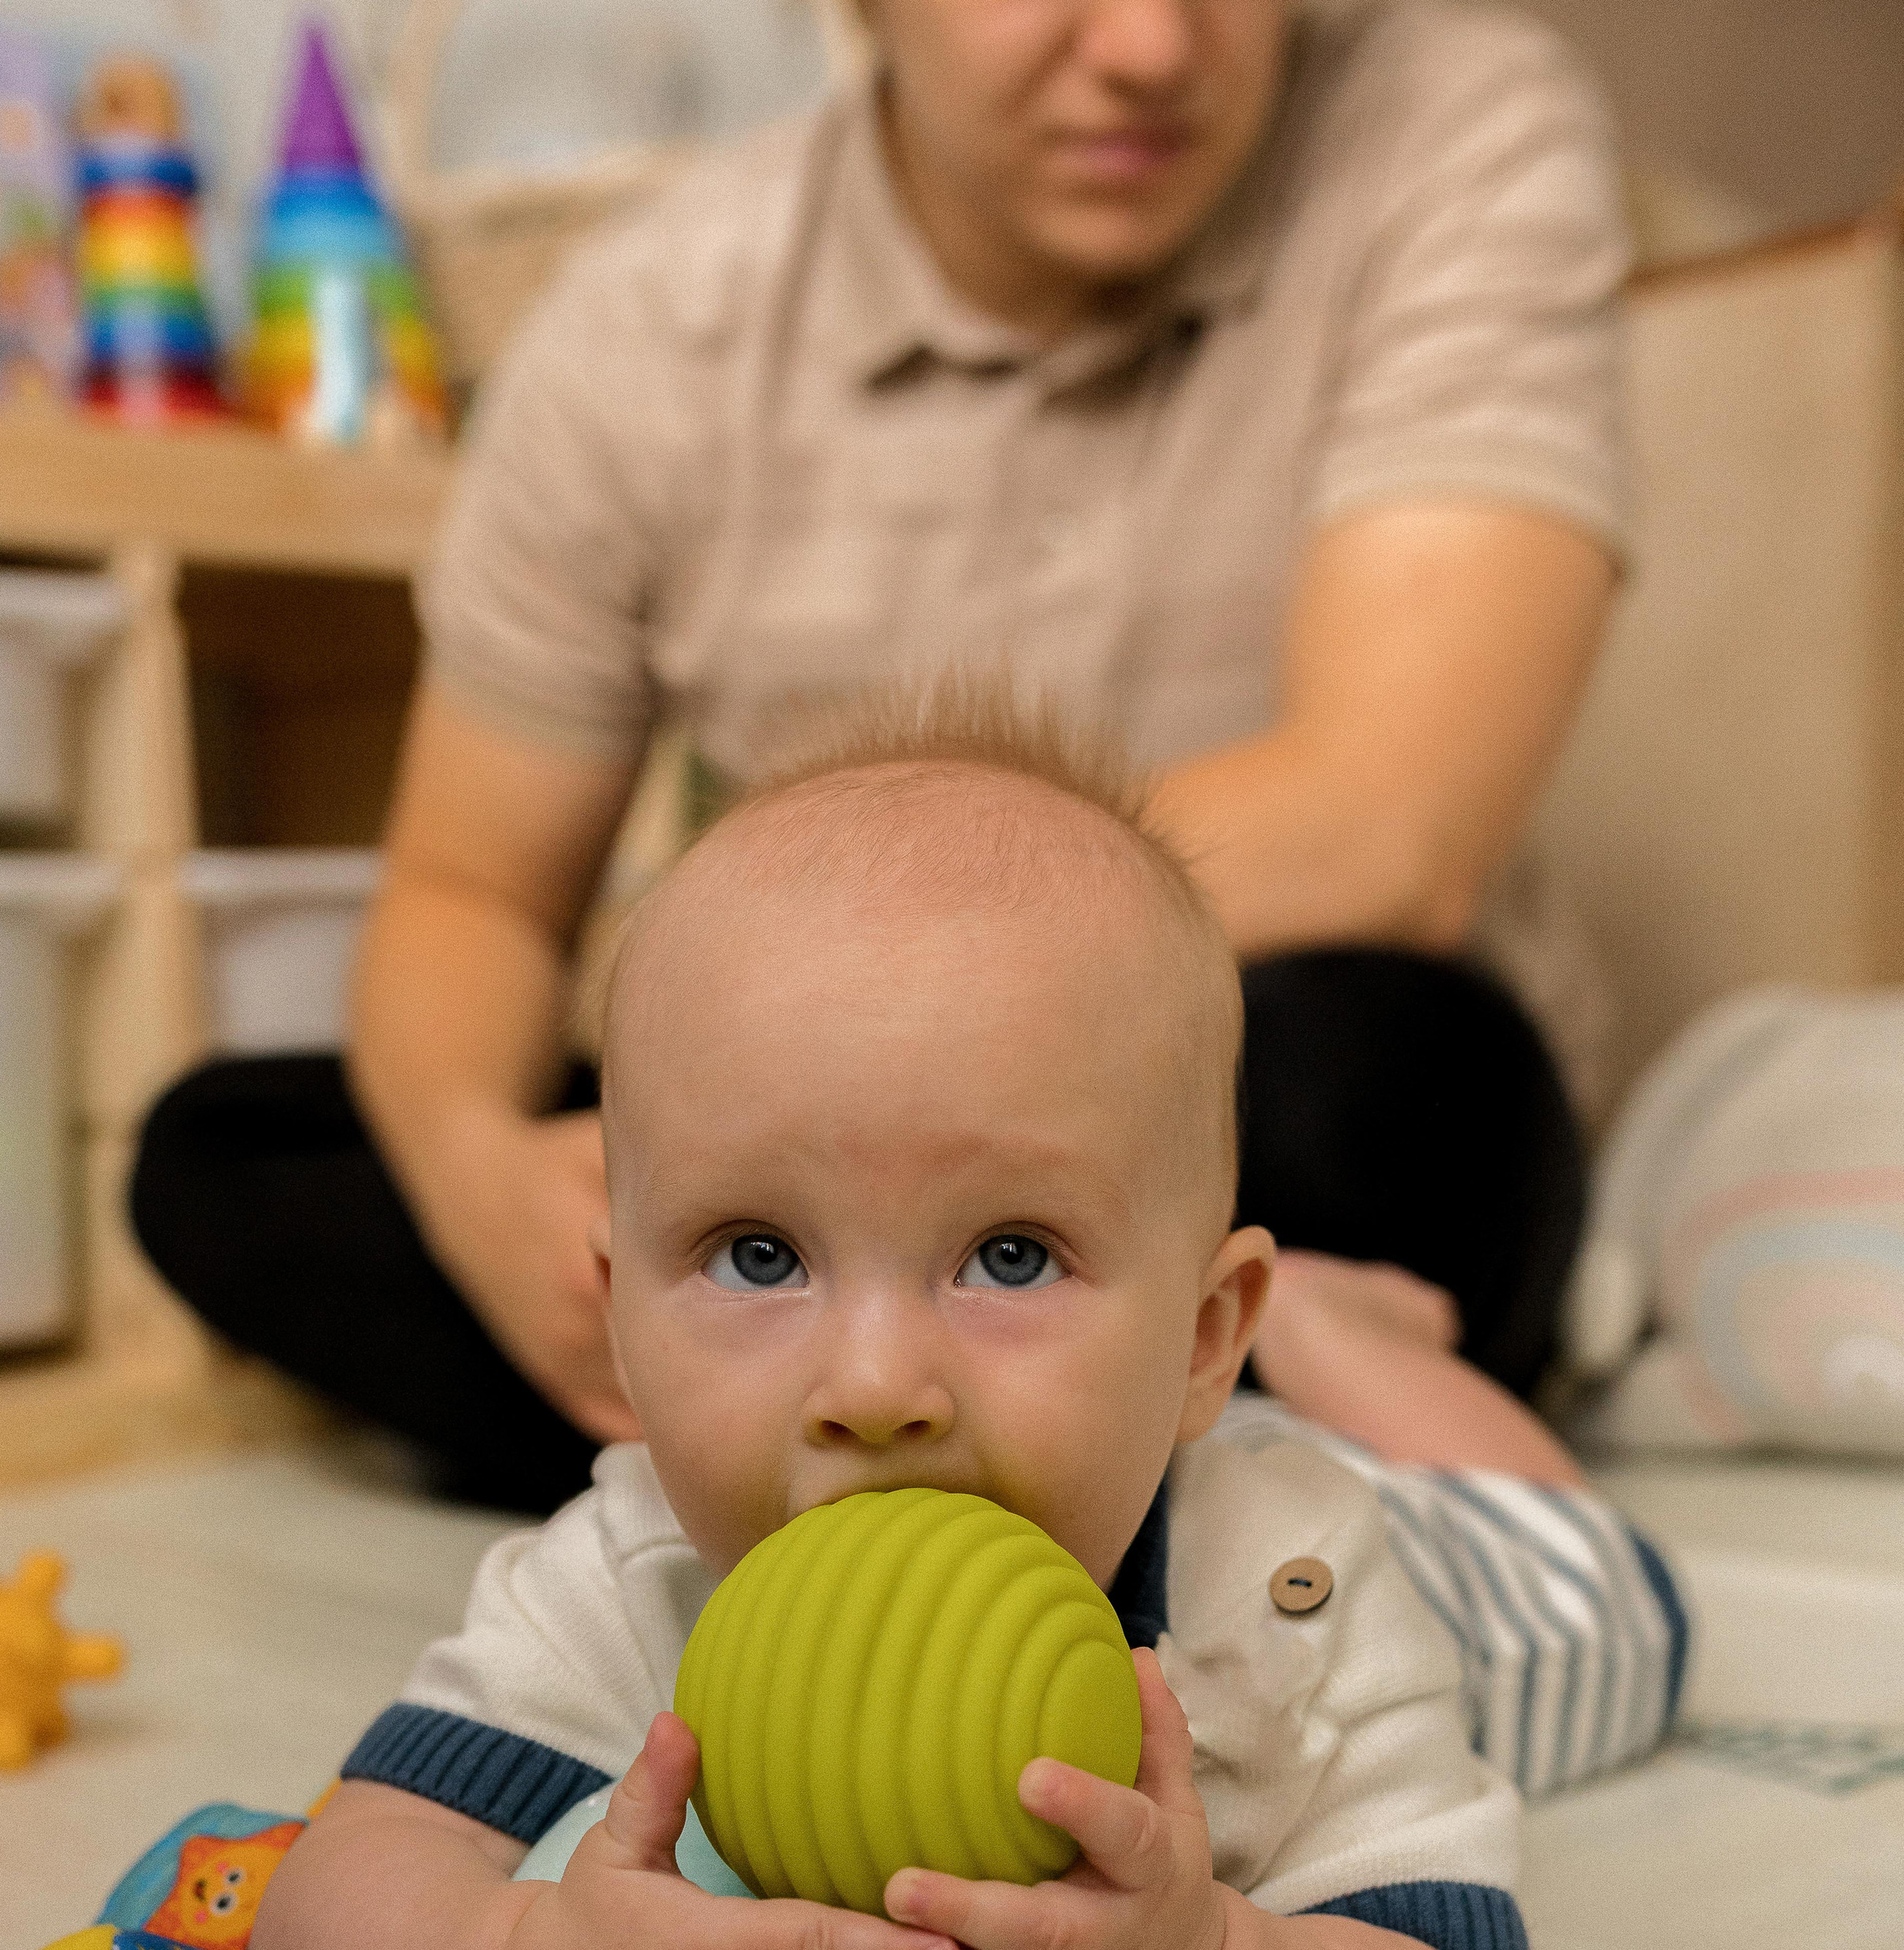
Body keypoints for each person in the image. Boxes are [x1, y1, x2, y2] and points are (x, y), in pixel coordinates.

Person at [132, 0, 1631, 1516]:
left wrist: (879, 1015)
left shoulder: (1452, 125)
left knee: (1389, 1074)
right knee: (228, 1148)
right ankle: (1063, 1443)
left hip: (1266, 1090)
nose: (1147, 49)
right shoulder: (647, 320)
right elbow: (472, 891)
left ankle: (752, 1425)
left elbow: (1384, 828)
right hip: (809, 1116)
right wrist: (485, 1197)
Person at [247, 702, 1681, 1950]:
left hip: (1491, 1585)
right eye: (757, 1253)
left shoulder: (1289, 1596)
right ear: (615, 1327)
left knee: (1598, 1587)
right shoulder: (629, 1576)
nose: (874, 1389)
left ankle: (1356, 1341)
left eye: (1009, 1255)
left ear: (1203, 1337)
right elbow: (332, 1906)